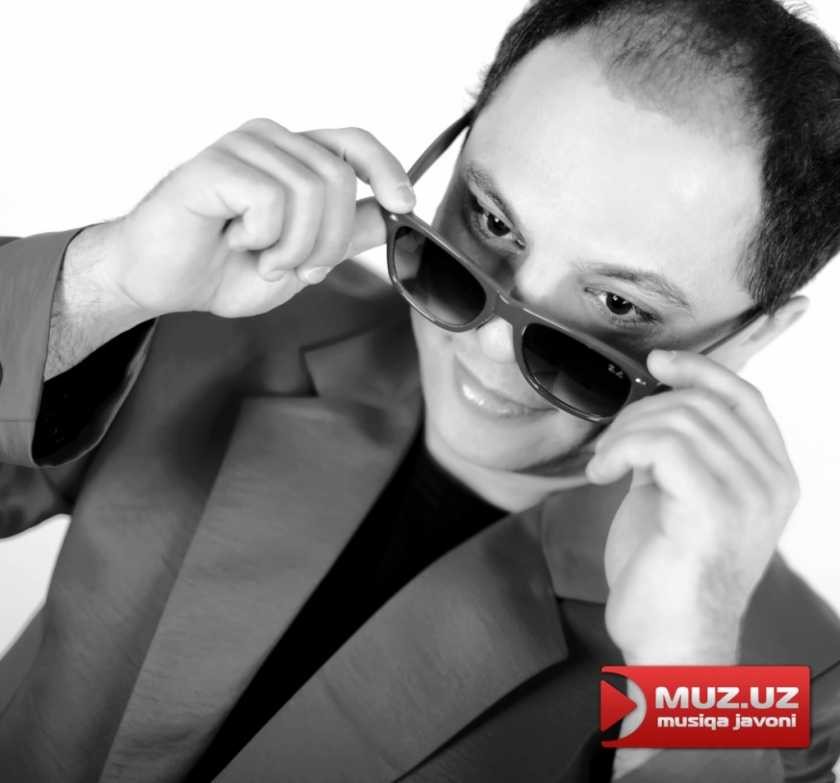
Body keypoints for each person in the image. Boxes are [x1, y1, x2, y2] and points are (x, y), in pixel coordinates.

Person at [1, 0, 839, 780]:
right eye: (492, 221)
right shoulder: (222, 311)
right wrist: (100, 284)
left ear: (752, 336)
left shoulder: (790, 672)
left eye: (619, 305)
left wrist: (687, 664)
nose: (490, 344)